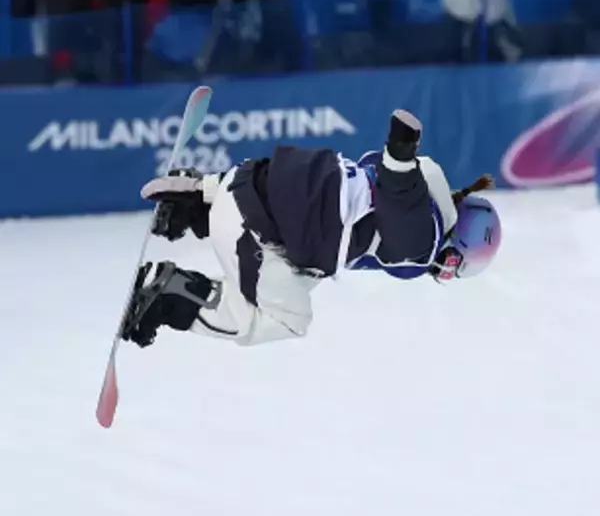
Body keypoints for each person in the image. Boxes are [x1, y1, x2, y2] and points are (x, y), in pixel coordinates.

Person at [120, 110, 501, 349]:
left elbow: (393, 189)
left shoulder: (386, 197)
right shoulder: (422, 240)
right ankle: (166, 294)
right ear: (453, 244)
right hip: (250, 228)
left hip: (247, 181)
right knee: (285, 319)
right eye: (453, 266)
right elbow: (401, 193)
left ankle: (198, 198)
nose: (441, 272)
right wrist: (401, 148)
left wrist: (404, 161)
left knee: (299, 278)